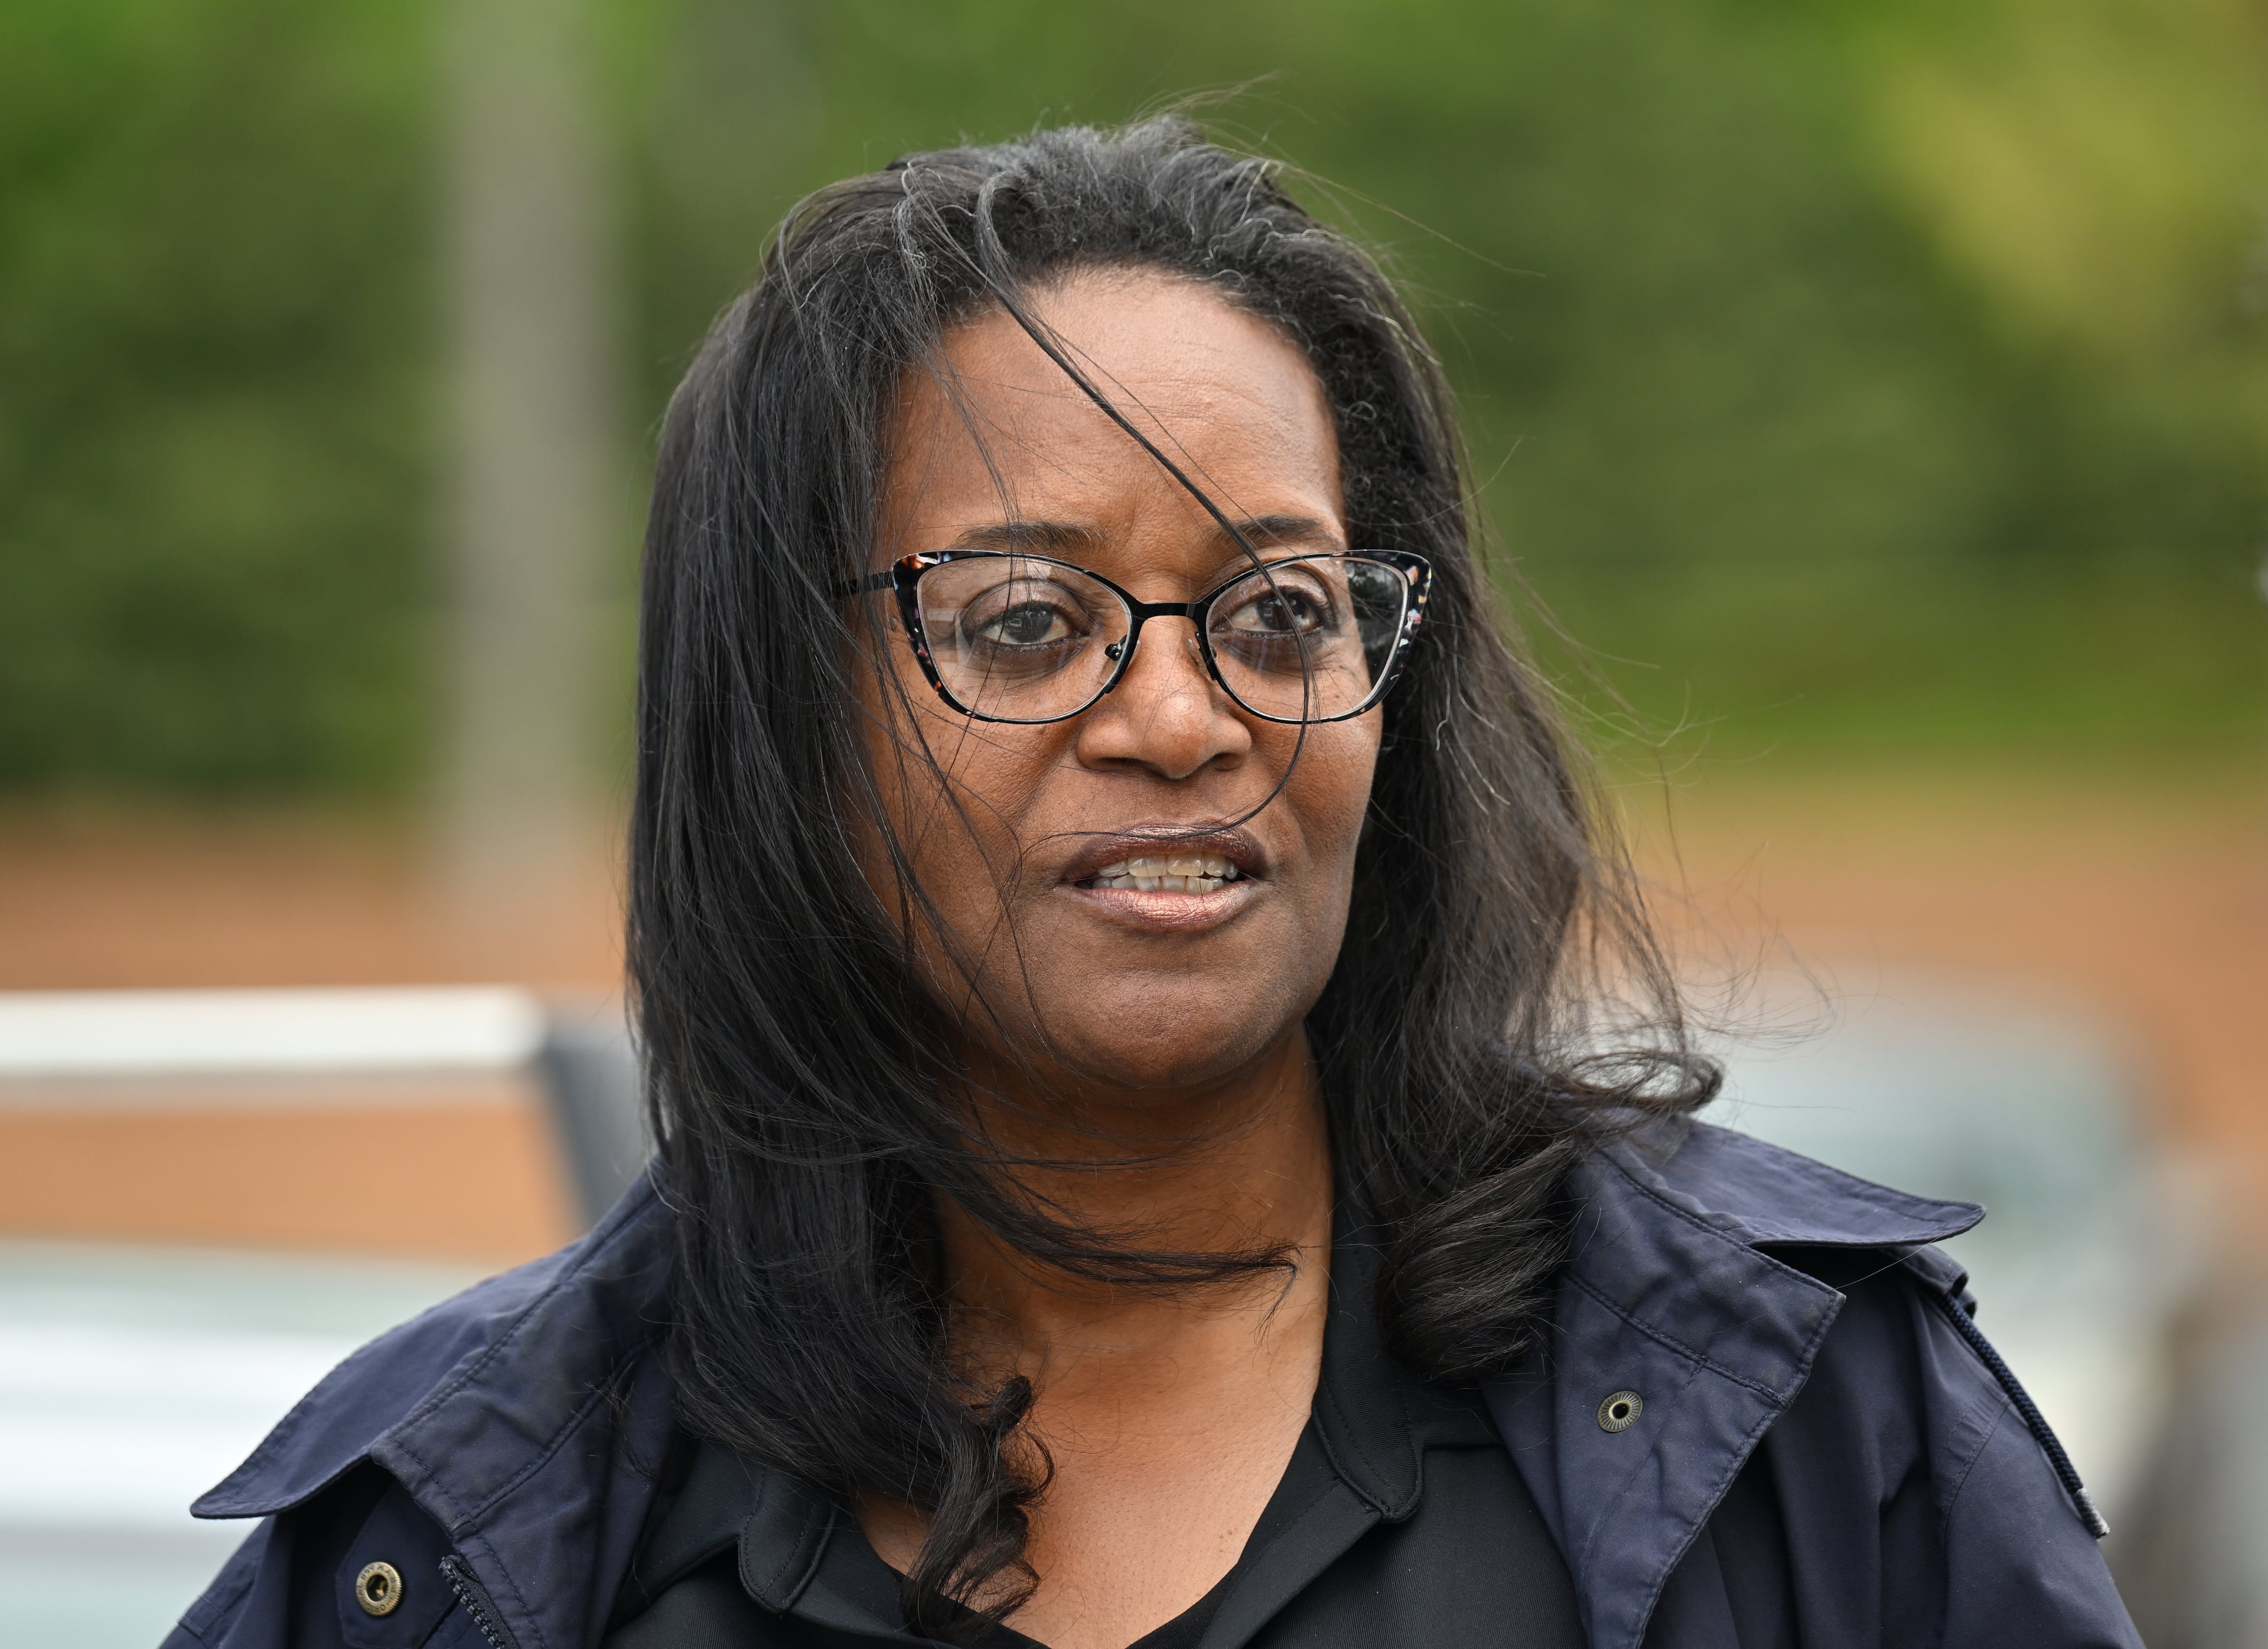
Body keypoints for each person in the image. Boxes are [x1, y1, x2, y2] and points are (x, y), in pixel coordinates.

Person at [164, 120, 2141, 1649]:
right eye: (1026, 622)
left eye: (1282, 609)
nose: (1186, 715)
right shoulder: (452, 1529)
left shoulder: (1806, 1417)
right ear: (782, 724)